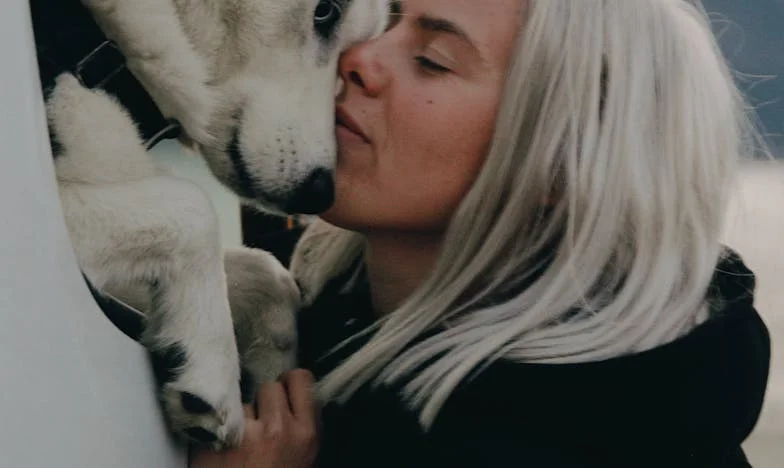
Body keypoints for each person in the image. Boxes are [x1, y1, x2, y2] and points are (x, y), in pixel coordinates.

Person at [191, 0, 772, 466]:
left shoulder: (547, 445)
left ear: (558, 166)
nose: (359, 55)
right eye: (390, 18)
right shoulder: (298, 302)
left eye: (434, 59)